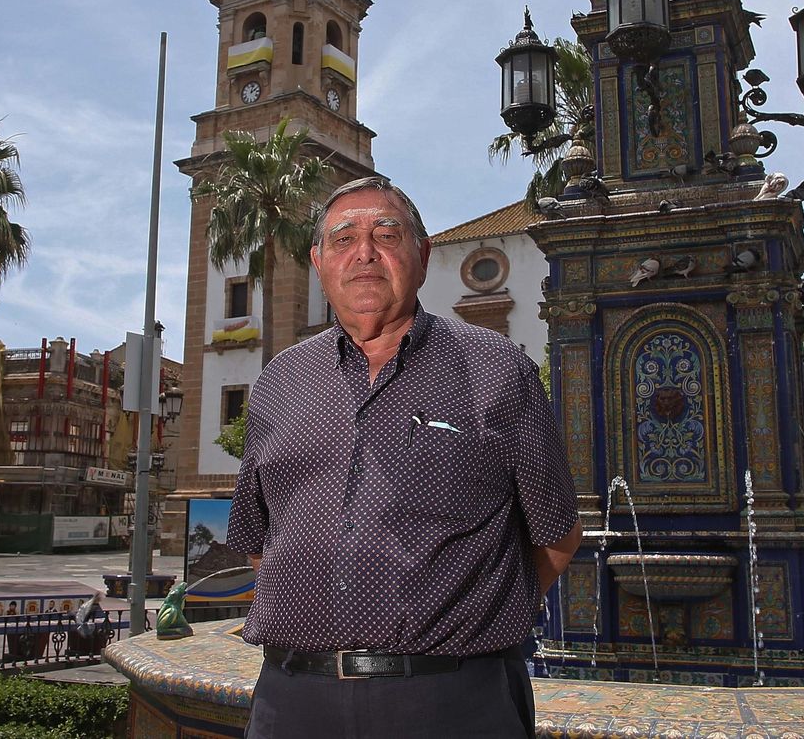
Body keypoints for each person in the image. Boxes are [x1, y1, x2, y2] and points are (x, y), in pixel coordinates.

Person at [228, 176, 582, 739]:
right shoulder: (279, 383)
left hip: (452, 703)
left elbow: (557, 536)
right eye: (343, 239)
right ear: (319, 264)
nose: (363, 252)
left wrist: (468, 626)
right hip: (293, 701)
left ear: (420, 255)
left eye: (385, 234)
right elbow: (256, 539)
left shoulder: (497, 368)